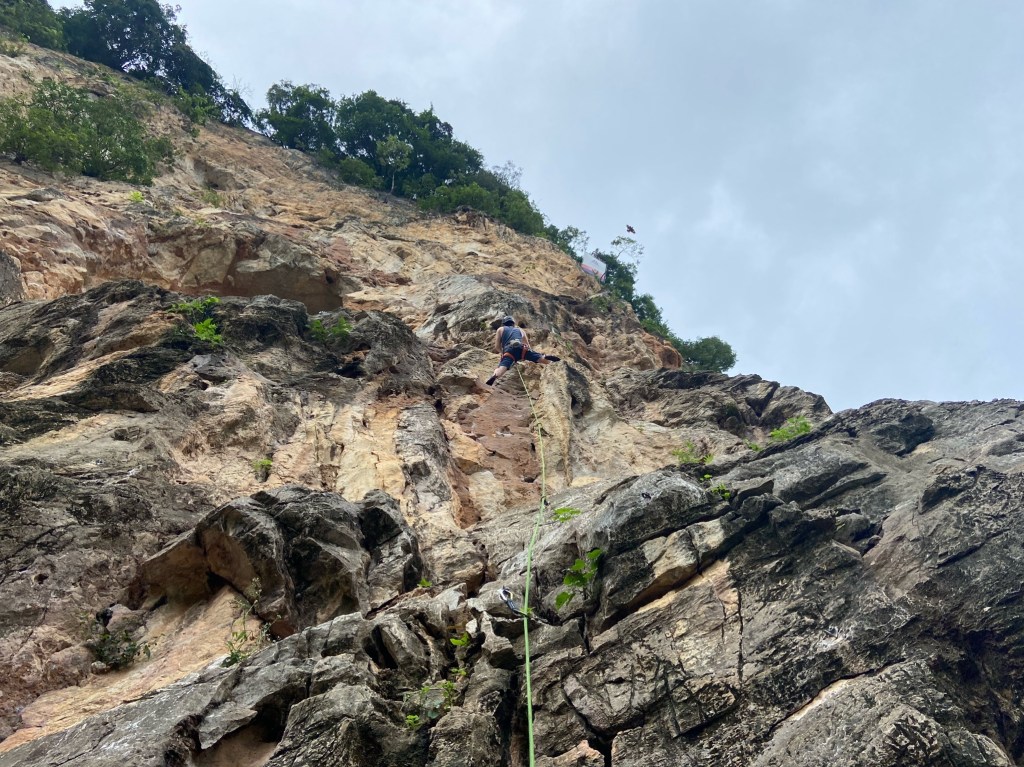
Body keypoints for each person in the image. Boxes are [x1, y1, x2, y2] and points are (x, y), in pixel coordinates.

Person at [485, 316, 560, 386]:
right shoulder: (520, 330)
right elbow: (527, 345)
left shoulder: (500, 329)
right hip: (521, 348)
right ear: (513, 323)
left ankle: (495, 376)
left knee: (502, 367)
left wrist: (503, 353)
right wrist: (526, 355)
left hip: (509, 350)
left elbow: (497, 346)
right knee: (539, 358)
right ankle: (546, 358)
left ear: (504, 323)